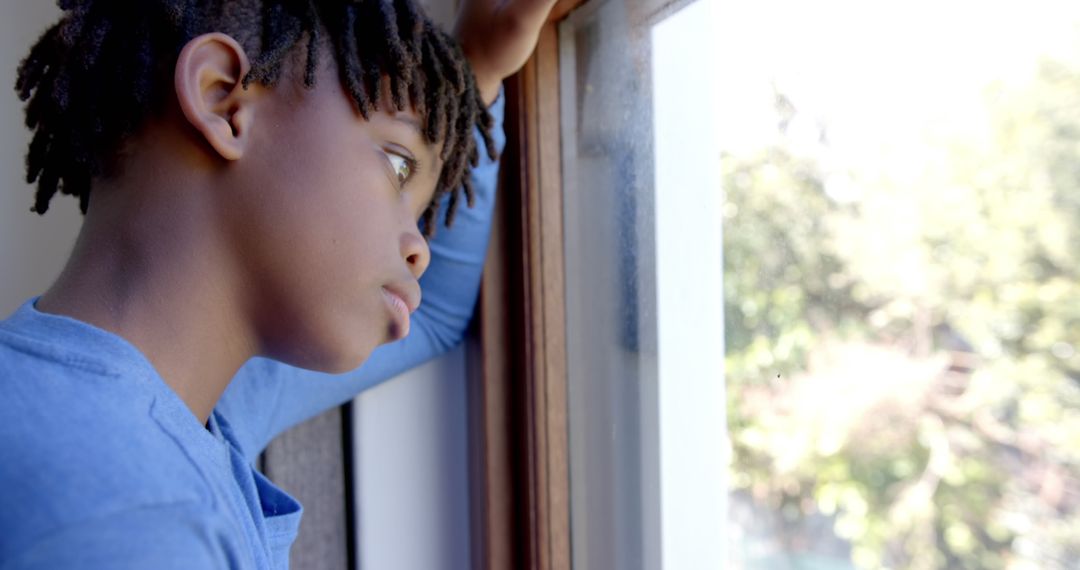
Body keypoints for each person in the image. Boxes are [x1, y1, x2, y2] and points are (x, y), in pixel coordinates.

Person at [0, 0, 555, 567]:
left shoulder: (181, 405)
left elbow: (431, 313)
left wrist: (479, 69)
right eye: (396, 166)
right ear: (224, 101)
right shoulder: (131, 524)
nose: (419, 247)